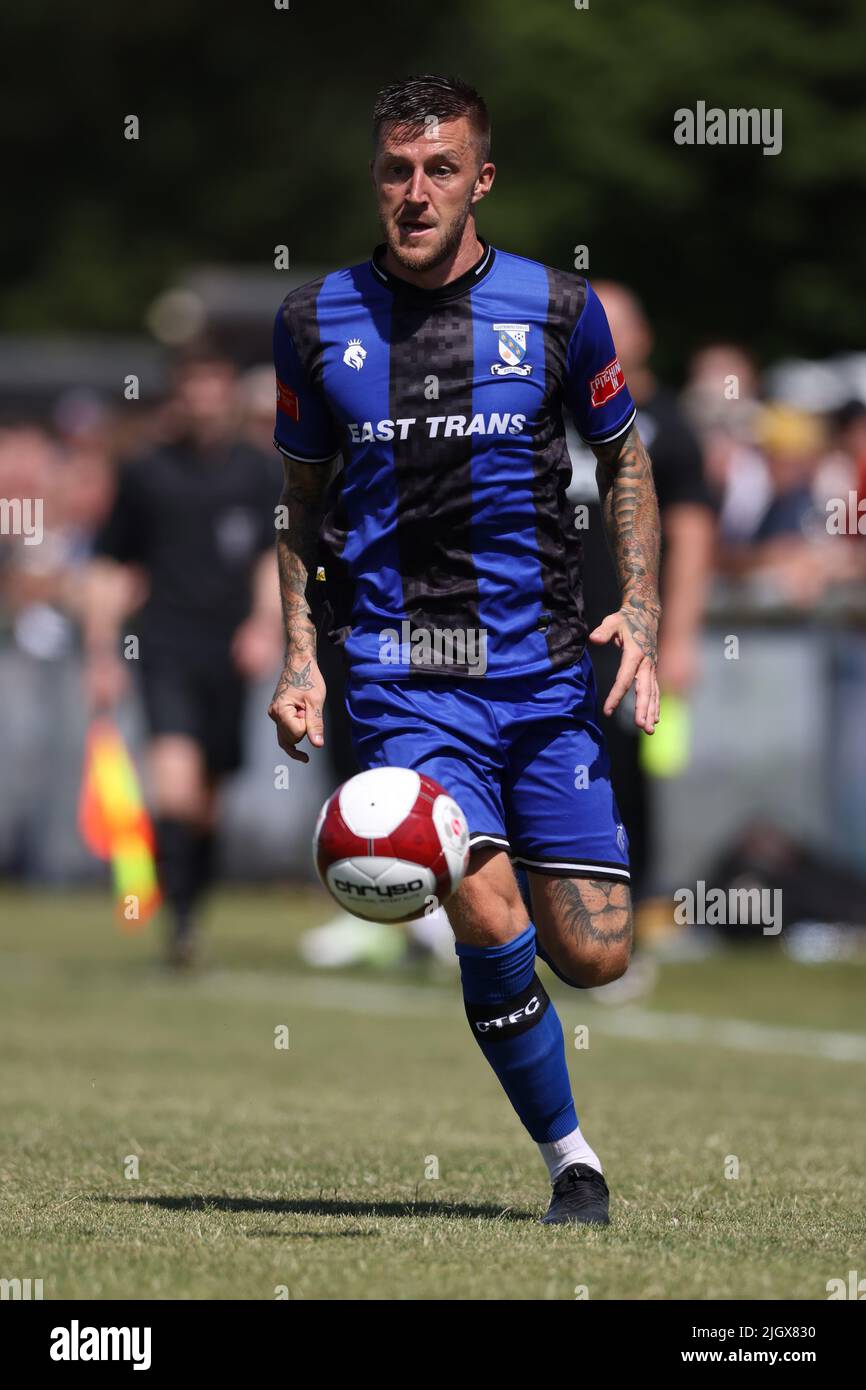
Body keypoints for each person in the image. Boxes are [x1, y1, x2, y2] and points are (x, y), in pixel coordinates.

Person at [268, 75, 661, 1227]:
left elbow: (624, 457)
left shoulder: (558, 307)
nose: (415, 190)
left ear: (480, 178)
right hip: (399, 672)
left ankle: (516, 985)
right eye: (395, 169)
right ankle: (571, 1163)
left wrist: (638, 610)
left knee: (590, 953)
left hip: (541, 675)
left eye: (440, 168)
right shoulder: (311, 322)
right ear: (373, 178)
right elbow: (298, 500)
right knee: (486, 913)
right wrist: (303, 658)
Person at [82, 346, 284, 966]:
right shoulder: (146, 473)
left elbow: (268, 562)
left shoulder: (256, 473)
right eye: (192, 389)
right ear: (179, 397)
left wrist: (263, 627)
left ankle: (191, 909)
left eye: (214, 388)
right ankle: (177, 920)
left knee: (206, 799)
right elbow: (112, 567)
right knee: (173, 786)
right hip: (164, 642)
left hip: (229, 649)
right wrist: (102, 654)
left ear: (227, 395)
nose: (204, 400)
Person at [575, 282, 717, 900]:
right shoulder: (553, 413)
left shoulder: (670, 428)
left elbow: (693, 538)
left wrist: (679, 637)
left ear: (642, 339)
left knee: (626, 775)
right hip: (545, 631)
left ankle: (634, 901)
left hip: (629, 636)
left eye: (614, 326)